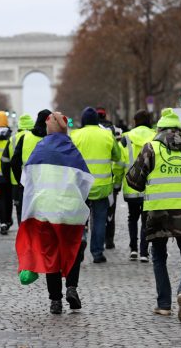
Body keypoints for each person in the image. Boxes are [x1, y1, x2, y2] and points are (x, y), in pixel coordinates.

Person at [126, 108, 181, 323]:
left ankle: (163, 305)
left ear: (158, 129)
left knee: (159, 257)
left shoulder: (151, 148)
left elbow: (133, 180)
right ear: (179, 129)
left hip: (158, 211)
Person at [15, 112, 93, 314]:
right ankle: (72, 287)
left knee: (50, 253)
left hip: (44, 210)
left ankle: (55, 301)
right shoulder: (71, 149)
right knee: (73, 247)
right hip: (69, 209)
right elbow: (85, 181)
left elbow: (27, 180)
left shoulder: (39, 148)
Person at [71, 107, 121, 263]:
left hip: (80, 185)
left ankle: (81, 239)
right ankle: (97, 252)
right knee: (99, 220)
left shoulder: (75, 135)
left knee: (79, 219)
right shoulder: (107, 135)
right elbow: (117, 156)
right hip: (102, 186)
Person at [113, 109, 155, 262]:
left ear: (135, 121)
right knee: (146, 219)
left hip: (131, 185)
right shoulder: (155, 136)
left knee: (132, 217)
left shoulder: (126, 138)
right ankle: (144, 252)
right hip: (150, 186)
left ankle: (133, 249)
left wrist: (117, 183)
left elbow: (119, 164)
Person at [10, 109, 52, 224]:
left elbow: (14, 162)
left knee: (27, 220)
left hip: (28, 185)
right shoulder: (53, 139)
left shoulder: (25, 138)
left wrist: (21, 180)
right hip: (49, 187)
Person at [1, 114, 35, 226]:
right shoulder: (36, 138)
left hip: (16, 181)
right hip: (34, 181)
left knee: (20, 210)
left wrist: (7, 179)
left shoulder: (13, 139)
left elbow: (5, 161)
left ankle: (22, 234)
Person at [96, 106, 119, 249]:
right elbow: (118, 156)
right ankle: (109, 240)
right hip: (107, 178)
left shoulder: (81, 133)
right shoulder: (113, 131)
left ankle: (86, 236)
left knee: (90, 215)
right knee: (109, 212)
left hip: (87, 181)